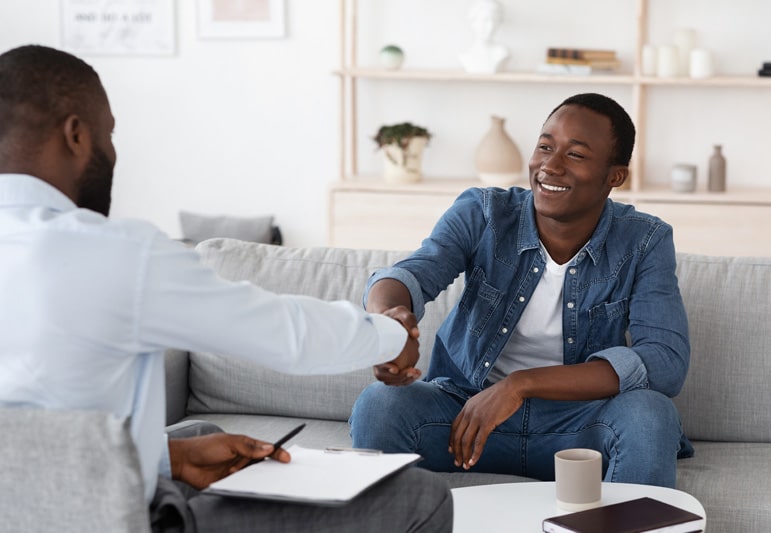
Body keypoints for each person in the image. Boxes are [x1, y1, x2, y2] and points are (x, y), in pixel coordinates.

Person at [0, 44, 451, 533]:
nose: (112, 151)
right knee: (421, 496)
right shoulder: (115, 254)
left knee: (202, 436)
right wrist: (392, 335)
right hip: (108, 519)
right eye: (108, 134)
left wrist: (168, 457)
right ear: (75, 134)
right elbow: (285, 335)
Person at [351, 92, 694, 488]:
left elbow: (665, 362)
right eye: (545, 146)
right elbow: (410, 276)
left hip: (577, 426)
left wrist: (522, 384)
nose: (550, 165)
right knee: (379, 405)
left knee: (651, 415)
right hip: (467, 418)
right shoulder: (483, 213)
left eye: (576, 155)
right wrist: (389, 321)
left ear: (614, 176)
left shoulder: (644, 240)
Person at [458, 0, 509, 74]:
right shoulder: (465, 56)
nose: (491, 26)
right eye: (485, 20)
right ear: (473, 21)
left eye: (495, 21)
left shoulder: (502, 53)